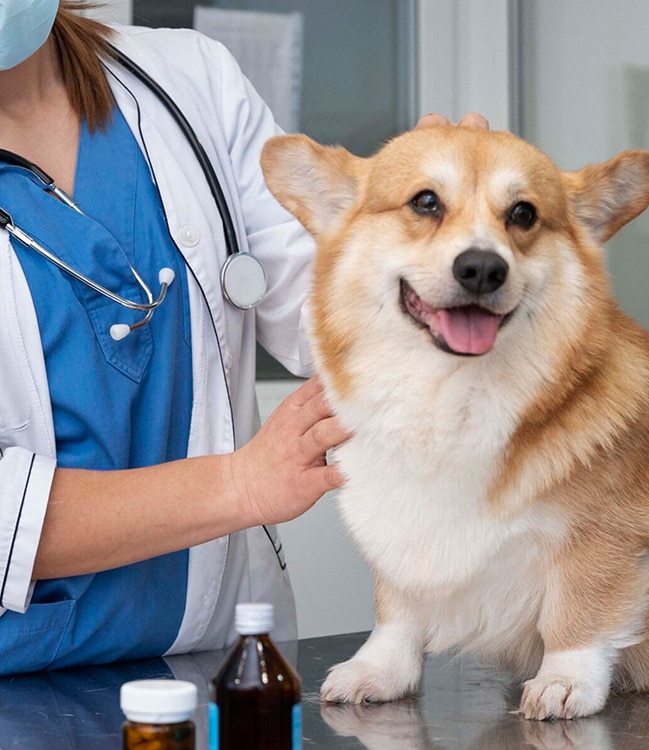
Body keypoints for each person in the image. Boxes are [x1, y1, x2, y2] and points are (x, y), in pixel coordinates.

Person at [0, 0, 487, 675]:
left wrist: (420, 247)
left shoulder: (186, 81)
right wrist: (242, 484)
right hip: (17, 689)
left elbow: (328, 318)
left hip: (221, 665)